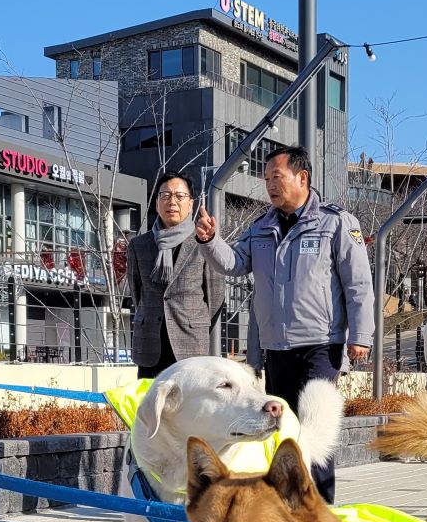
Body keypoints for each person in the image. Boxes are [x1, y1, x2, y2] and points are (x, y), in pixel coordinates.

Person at [236, 145, 373, 502]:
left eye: (276, 177)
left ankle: (321, 507)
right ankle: (287, 505)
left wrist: (361, 335)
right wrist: (207, 240)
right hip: (277, 347)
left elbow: (358, 283)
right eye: (266, 178)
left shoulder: (336, 222)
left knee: (315, 427)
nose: (270, 185)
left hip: (322, 344)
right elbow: (233, 263)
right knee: (283, 429)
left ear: (302, 177)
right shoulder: (261, 227)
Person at [125, 172, 231, 379]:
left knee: (189, 399)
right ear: (157, 203)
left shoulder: (203, 242)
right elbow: (137, 293)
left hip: (190, 344)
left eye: (179, 196)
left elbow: (215, 297)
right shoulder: (139, 245)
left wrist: (194, 321)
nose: (171, 201)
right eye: (165, 195)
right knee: (149, 398)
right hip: (150, 344)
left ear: (190, 204)